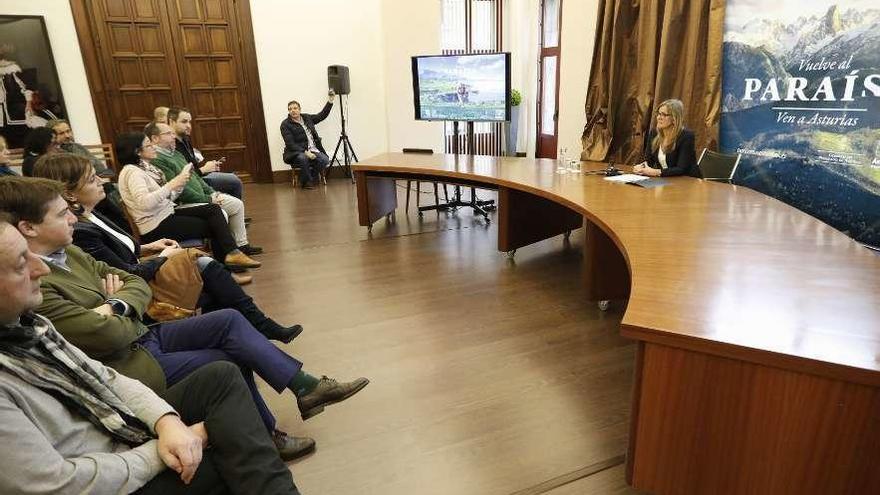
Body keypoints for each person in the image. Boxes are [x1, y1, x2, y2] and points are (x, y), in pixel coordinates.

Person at [0, 176, 371, 460]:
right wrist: (121, 305)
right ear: (28, 228)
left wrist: (116, 304)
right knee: (226, 359)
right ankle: (266, 438)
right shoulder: (35, 282)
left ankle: (306, 387)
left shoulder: (71, 253)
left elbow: (131, 281)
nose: (72, 217)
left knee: (226, 319)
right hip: (128, 360)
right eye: (62, 213)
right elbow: (106, 336)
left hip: (142, 334)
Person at [0, 215, 302, 494]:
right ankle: (274, 425)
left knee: (222, 367)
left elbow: (104, 370)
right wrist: (164, 448)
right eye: (20, 265)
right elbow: (59, 484)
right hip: (111, 453)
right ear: (30, 225)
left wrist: (166, 422)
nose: (41, 268)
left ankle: (300, 387)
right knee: (235, 446)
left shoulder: (30, 323)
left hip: (120, 393)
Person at [32, 152, 302, 343]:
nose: (102, 181)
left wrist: (147, 246)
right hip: (142, 292)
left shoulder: (94, 214)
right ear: (68, 192)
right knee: (206, 263)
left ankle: (246, 327)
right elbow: (124, 272)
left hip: (146, 264)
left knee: (210, 266)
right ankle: (255, 324)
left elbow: (122, 249)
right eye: (92, 180)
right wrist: (162, 255)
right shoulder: (80, 231)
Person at [115, 131, 260, 269]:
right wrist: (173, 184)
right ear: (137, 151)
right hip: (155, 226)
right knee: (214, 226)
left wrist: (182, 181)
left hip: (165, 214)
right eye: (148, 145)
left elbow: (168, 197)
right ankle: (228, 267)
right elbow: (144, 203)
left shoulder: (145, 168)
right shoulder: (132, 172)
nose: (153, 147)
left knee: (214, 210)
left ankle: (232, 257)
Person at [147, 122, 262, 256]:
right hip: (183, 203)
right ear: (155, 139)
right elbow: (180, 190)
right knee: (221, 211)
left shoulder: (176, 154)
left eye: (173, 133)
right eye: (168, 133)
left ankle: (241, 246)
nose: (173, 136)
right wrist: (208, 199)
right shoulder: (158, 160)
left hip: (201, 196)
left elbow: (196, 178)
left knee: (236, 204)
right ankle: (225, 255)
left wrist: (212, 193)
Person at [169, 106, 244, 199]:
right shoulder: (171, 145)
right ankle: (232, 209)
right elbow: (182, 175)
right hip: (191, 184)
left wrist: (208, 167)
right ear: (172, 122)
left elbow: (193, 166)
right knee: (234, 182)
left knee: (232, 176)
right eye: (184, 122)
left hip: (198, 177)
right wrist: (204, 169)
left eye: (189, 122)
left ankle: (232, 209)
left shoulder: (185, 138)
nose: (188, 125)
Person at [281, 90, 335, 189]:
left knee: (324, 160)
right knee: (303, 158)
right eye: (290, 109)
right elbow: (290, 144)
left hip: (313, 149)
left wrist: (330, 101)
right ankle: (307, 183)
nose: (293, 110)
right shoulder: (285, 124)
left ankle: (309, 178)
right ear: (288, 111)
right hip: (296, 151)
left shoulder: (307, 118)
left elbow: (322, 115)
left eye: (295, 108)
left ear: (300, 109)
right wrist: (306, 152)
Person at [633, 98, 698, 178]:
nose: (659, 117)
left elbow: (681, 169)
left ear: (674, 119)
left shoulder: (687, 136)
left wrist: (656, 172)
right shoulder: (654, 133)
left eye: (664, 114)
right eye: (659, 114)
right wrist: (642, 167)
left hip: (687, 181)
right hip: (666, 180)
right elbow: (648, 161)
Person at [48, 118, 114, 178]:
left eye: (68, 131)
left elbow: (100, 167)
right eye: (61, 133)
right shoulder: (53, 154)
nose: (67, 136)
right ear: (53, 136)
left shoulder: (77, 146)